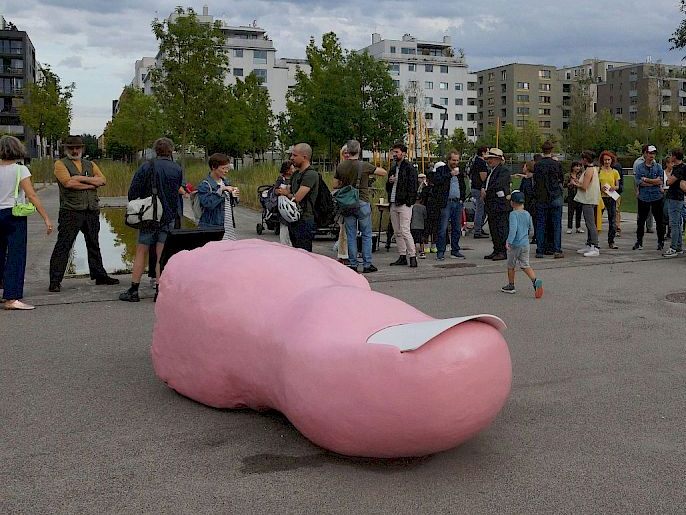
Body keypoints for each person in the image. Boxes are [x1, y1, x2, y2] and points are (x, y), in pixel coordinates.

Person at [48, 135, 118, 293]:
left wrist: (79, 178)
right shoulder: (60, 164)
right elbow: (68, 183)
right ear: (66, 149)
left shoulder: (90, 164)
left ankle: (99, 276)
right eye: (71, 148)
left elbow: (102, 180)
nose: (74, 150)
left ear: (82, 148)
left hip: (91, 210)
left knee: (94, 244)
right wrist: (90, 183)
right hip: (70, 211)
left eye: (77, 148)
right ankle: (55, 280)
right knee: (64, 245)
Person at [119, 137, 184, 302]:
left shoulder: (146, 166)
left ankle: (134, 290)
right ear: (171, 151)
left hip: (149, 216)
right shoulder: (177, 169)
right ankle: (159, 290)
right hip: (168, 216)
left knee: (142, 251)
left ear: (155, 150)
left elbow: (133, 192)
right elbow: (176, 192)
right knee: (161, 254)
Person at [0, 136, 53, 310]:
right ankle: (11, 297)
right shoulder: (20, 170)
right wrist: (45, 217)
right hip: (14, 214)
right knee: (16, 255)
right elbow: (31, 195)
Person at [333, 139, 387, 273]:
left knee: (351, 234)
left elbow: (335, 185)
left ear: (347, 151)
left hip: (347, 203)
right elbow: (383, 172)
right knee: (366, 234)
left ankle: (353, 264)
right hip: (362, 201)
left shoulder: (340, 166)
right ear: (359, 150)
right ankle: (367, 264)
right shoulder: (364, 166)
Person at [276, 143, 318, 252]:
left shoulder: (311, 175)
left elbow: (297, 197)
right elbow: (289, 190)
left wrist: (286, 193)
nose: (291, 158)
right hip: (293, 219)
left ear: (304, 157)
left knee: (304, 252)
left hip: (305, 219)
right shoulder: (296, 174)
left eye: (295, 155)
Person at [501, 191, 543, 298]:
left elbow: (513, 229)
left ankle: (511, 285)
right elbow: (531, 228)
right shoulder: (527, 214)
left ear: (512, 203)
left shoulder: (513, 214)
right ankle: (535, 280)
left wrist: (509, 241)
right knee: (525, 264)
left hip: (515, 244)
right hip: (525, 244)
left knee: (511, 265)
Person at [386, 143, 419, 267]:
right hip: (394, 201)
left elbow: (413, 185)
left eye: (397, 152)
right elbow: (387, 186)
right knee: (397, 231)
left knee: (405, 230)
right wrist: (390, 182)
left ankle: (412, 255)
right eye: (393, 152)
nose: (394, 154)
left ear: (404, 153)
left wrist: (409, 201)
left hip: (404, 203)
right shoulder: (393, 168)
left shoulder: (409, 168)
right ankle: (402, 255)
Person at [432, 150, 467, 260]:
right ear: (448, 160)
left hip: (457, 202)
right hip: (446, 202)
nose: (455, 162)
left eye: (457, 160)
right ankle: (440, 251)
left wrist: (462, 198)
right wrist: (450, 175)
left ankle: (455, 250)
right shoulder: (441, 170)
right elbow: (437, 181)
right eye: (453, 160)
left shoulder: (459, 172)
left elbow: (463, 186)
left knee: (457, 228)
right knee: (442, 228)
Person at [533, 141, 564, 259]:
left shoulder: (538, 165)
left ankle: (540, 250)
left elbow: (536, 180)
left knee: (541, 224)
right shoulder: (556, 164)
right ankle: (557, 249)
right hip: (555, 195)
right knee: (556, 225)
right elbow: (560, 178)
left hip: (541, 197)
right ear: (551, 150)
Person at [196, 153, 240, 238]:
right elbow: (207, 204)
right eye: (223, 168)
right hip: (212, 227)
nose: (226, 171)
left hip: (228, 226)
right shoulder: (205, 185)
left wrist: (235, 196)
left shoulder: (226, 182)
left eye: (227, 168)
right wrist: (221, 190)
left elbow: (230, 204)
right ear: (214, 167)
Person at [633, 144, 665, 251]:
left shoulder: (658, 167)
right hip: (644, 197)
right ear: (645, 154)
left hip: (657, 197)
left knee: (659, 220)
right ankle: (639, 241)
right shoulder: (639, 167)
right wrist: (652, 182)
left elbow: (660, 180)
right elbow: (638, 181)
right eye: (650, 153)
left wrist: (647, 180)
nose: (652, 155)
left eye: (653, 153)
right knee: (641, 221)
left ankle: (660, 241)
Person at [482, 148, 511, 261]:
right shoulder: (492, 171)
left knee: (501, 229)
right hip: (492, 204)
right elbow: (487, 184)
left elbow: (498, 185)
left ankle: (502, 251)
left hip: (500, 205)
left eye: (491, 159)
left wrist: (486, 191)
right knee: (493, 229)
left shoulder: (503, 171)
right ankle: (496, 249)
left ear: (498, 159)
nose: (489, 161)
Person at [572, 151, 601, 257]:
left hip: (588, 200)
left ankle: (595, 246)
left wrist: (575, 184)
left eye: (582, 159)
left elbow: (584, 187)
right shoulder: (592, 169)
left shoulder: (589, 170)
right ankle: (589, 244)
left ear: (585, 159)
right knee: (590, 223)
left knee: (590, 224)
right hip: (589, 199)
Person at [663, 148, 685, 257]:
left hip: (675, 198)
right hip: (678, 198)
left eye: (671, 155)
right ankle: (679, 246)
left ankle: (673, 248)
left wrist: (668, 179)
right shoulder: (681, 167)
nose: (670, 157)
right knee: (678, 223)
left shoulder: (679, 169)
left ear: (675, 157)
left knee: (675, 223)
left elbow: (670, 181)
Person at [598, 151, 621, 249]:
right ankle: (594, 241)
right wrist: (600, 188)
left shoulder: (615, 172)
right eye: (605, 160)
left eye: (608, 160)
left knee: (612, 220)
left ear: (611, 160)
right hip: (601, 197)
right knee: (597, 219)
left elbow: (617, 186)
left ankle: (611, 241)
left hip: (611, 197)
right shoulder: (599, 171)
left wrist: (613, 188)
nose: (607, 162)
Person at [470, 146, 489, 238]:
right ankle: (477, 230)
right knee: (480, 209)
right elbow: (483, 177)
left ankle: (479, 228)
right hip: (479, 189)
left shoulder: (475, 161)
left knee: (482, 209)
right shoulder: (481, 163)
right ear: (483, 153)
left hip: (475, 187)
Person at [335, 144, 349, 263]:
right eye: (345, 153)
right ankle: (343, 254)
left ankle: (349, 253)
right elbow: (335, 184)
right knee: (343, 229)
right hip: (345, 200)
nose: (347, 155)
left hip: (354, 200)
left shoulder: (357, 166)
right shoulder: (340, 167)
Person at [275, 160, 294, 247]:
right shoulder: (281, 179)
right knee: (284, 225)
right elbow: (275, 190)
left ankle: (290, 243)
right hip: (283, 206)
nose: (293, 170)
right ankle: (284, 244)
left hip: (292, 204)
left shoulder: (295, 178)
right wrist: (280, 191)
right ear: (287, 170)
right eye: (291, 168)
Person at [517, 160, 536, 241]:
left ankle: (535, 235)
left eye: (524, 166)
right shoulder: (526, 178)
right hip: (526, 201)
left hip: (530, 201)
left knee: (533, 219)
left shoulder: (531, 179)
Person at [565, 161, 583, 234]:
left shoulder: (581, 175)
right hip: (571, 196)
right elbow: (564, 184)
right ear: (572, 167)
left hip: (579, 195)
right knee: (570, 212)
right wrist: (570, 183)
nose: (578, 168)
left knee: (579, 211)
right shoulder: (568, 175)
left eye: (579, 166)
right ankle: (569, 227)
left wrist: (578, 183)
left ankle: (578, 227)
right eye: (576, 166)